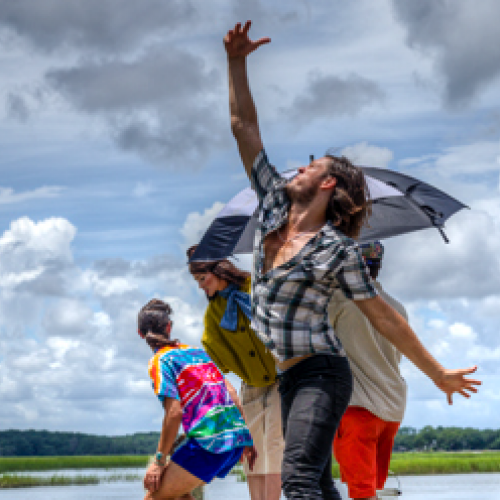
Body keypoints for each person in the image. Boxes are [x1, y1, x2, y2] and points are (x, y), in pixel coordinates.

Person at [223, 20, 481, 500]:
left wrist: (438, 373)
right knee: (319, 485)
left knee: (298, 479)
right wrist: (236, 63)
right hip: (288, 375)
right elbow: (244, 129)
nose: (299, 168)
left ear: (327, 184)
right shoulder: (274, 205)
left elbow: (383, 316)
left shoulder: (337, 251)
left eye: (312, 166)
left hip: (322, 373)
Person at [187, 245, 284, 500]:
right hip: (251, 386)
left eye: (202, 278)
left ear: (218, 270)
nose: (201, 286)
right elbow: (213, 360)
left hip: (281, 381)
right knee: (251, 451)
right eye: (197, 281)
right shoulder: (214, 314)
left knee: (274, 447)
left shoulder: (257, 287)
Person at [138, 298, 256, 500]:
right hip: (235, 440)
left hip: (209, 444)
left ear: (140, 334)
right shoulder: (197, 353)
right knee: (181, 494)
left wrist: (158, 462)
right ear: (168, 327)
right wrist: (246, 437)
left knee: (154, 497)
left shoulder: (161, 360)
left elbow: (174, 413)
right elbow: (232, 393)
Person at [328, 241, 407, 500]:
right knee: (370, 489)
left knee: (362, 492)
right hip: (392, 408)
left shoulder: (339, 301)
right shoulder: (397, 307)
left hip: (358, 406)